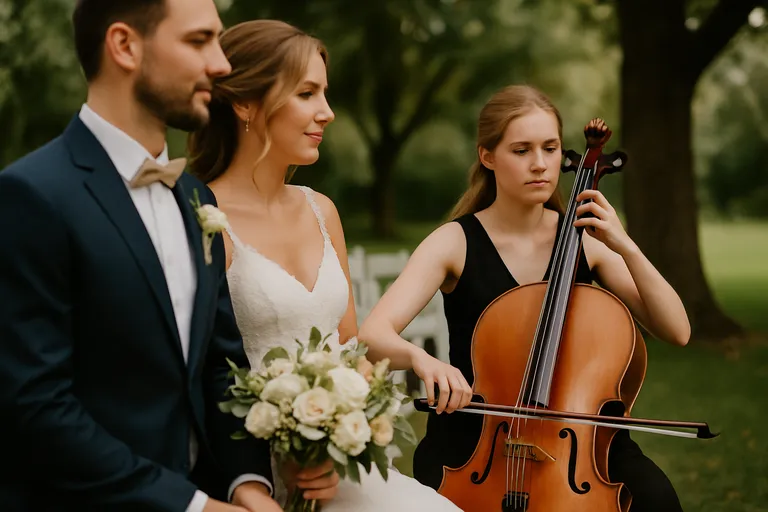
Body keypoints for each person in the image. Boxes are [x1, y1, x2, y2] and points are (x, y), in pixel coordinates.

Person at [0, 1, 285, 510]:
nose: (221, 65)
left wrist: (248, 483)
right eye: (198, 41)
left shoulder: (197, 199)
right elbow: (35, 407)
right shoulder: (30, 196)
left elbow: (221, 365)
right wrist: (192, 508)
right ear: (124, 46)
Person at [357, 85, 691, 512]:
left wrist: (625, 244)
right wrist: (425, 360)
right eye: (521, 150)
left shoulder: (586, 241)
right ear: (488, 156)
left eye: (550, 148)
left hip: (580, 441)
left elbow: (676, 330)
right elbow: (373, 334)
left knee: (657, 499)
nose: (539, 164)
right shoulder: (454, 242)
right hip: (476, 443)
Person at [187, 19, 463, 512]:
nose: (328, 113)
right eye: (307, 93)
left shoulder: (321, 209)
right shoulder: (204, 220)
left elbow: (349, 349)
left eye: (325, 94)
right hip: (250, 475)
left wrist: (350, 430)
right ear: (246, 104)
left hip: (340, 466)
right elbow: (202, 376)